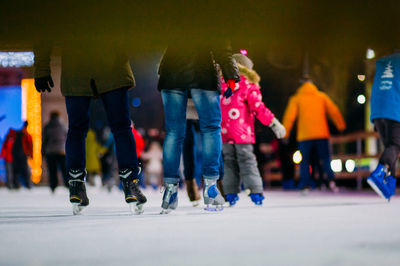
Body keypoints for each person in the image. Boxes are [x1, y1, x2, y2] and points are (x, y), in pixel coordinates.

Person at [34, 41, 146, 215]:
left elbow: (44, 27)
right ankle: (130, 183)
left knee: (77, 130)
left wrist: (42, 68)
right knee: (122, 127)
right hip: (111, 64)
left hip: (77, 67)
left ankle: (76, 185)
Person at [157, 38, 240, 213]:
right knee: (210, 129)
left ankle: (170, 191)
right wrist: (231, 75)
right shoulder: (209, 15)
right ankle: (210, 188)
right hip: (202, 75)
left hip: (171, 76)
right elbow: (222, 48)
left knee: (173, 132)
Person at [220, 53, 286, 206]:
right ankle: (256, 192)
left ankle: (230, 193)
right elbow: (258, 107)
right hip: (242, 132)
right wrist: (273, 123)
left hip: (223, 132)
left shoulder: (222, 83)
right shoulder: (248, 84)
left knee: (228, 161)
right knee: (247, 160)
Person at [282, 79, 346, 192]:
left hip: (304, 135)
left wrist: (285, 133)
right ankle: (331, 181)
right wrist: (341, 126)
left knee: (304, 160)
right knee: (325, 158)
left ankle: (305, 184)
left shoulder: (297, 98)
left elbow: (289, 117)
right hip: (322, 134)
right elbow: (333, 110)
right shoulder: (321, 96)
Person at [367, 52, 400, 200]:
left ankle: (389, 187)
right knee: (395, 145)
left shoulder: (382, 62)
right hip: (393, 108)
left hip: (377, 109)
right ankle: (379, 173)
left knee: (390, 148)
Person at [43, 111, 68, 192]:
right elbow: (67, 137)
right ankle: (67, 184)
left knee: (52, 170)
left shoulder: (47, 126)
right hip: (61, 151)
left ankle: (53, 185)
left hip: (50, 151)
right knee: (64, 169)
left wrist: (42, 151)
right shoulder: (63, 126)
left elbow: (44, 140)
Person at [11, 121, 33, 189]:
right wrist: (31, 155)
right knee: (24, 170)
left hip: (16, 154)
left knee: (16, 170)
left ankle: (16, 184)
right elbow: (30, 145)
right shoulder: (26, 134)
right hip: (23, 155)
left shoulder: (17, 134)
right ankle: (27, 184)